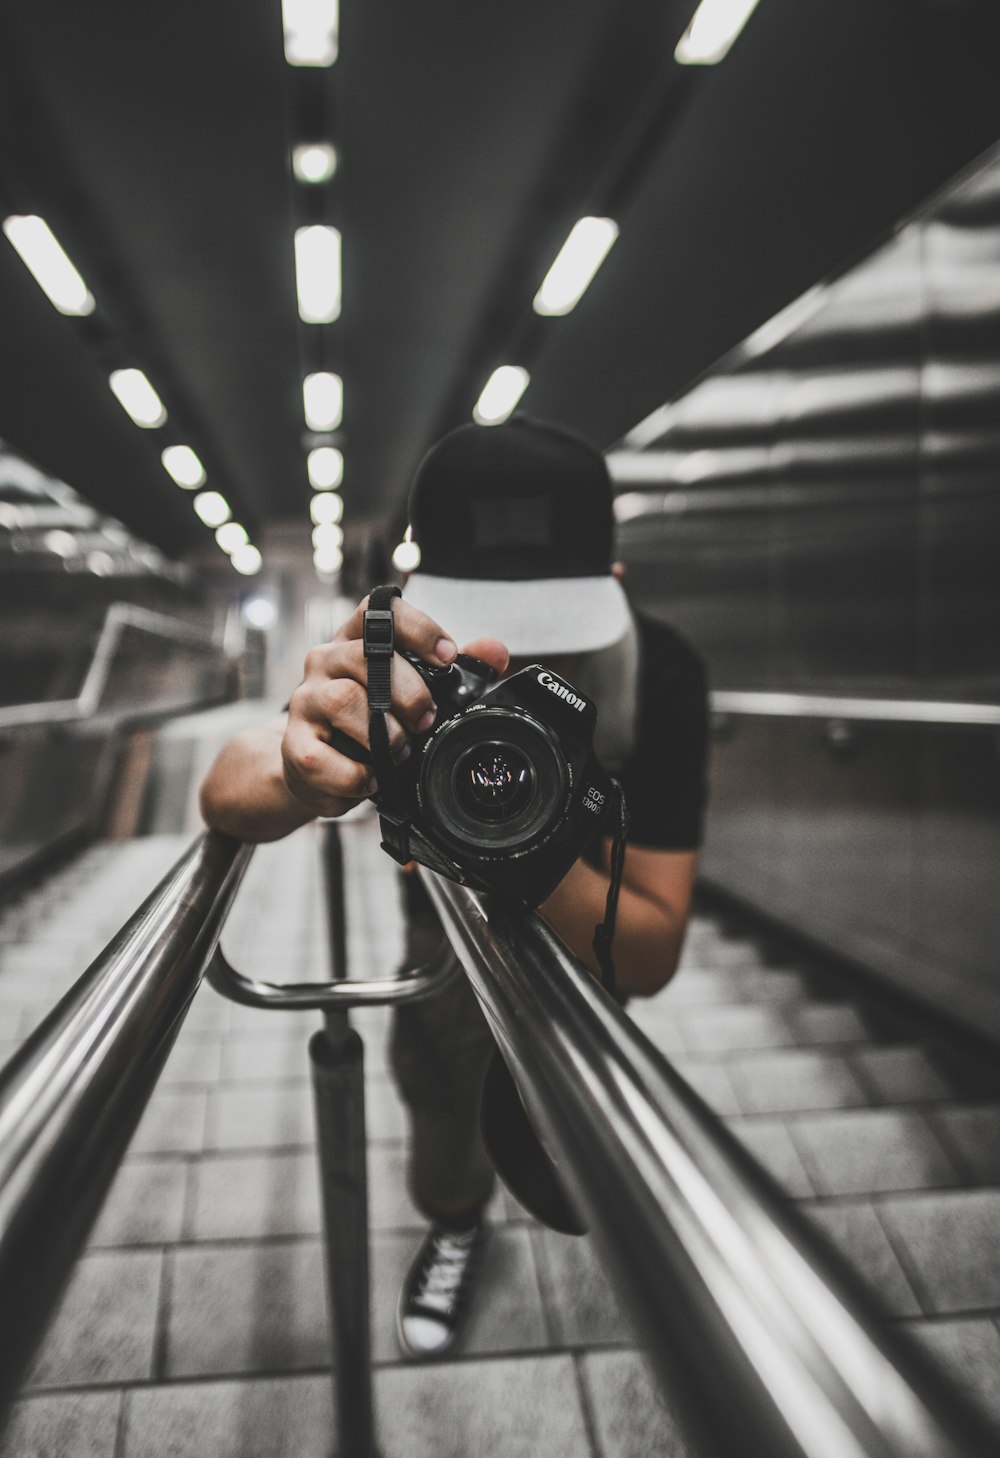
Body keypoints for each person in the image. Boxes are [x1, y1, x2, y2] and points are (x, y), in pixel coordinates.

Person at [199, 416, 709, 1360]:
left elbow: (652, 945)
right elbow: (225, 789)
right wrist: (304, 769)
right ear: (422, 601)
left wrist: (525, 847)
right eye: (484, 624)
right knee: (443, 1138)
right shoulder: (412, 668)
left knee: (582, 1148)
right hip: (440, 971)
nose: (510, 654)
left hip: (589, 977)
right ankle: (456, 1226)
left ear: (615, 592)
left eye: (553, 626)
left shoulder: (663, 673)